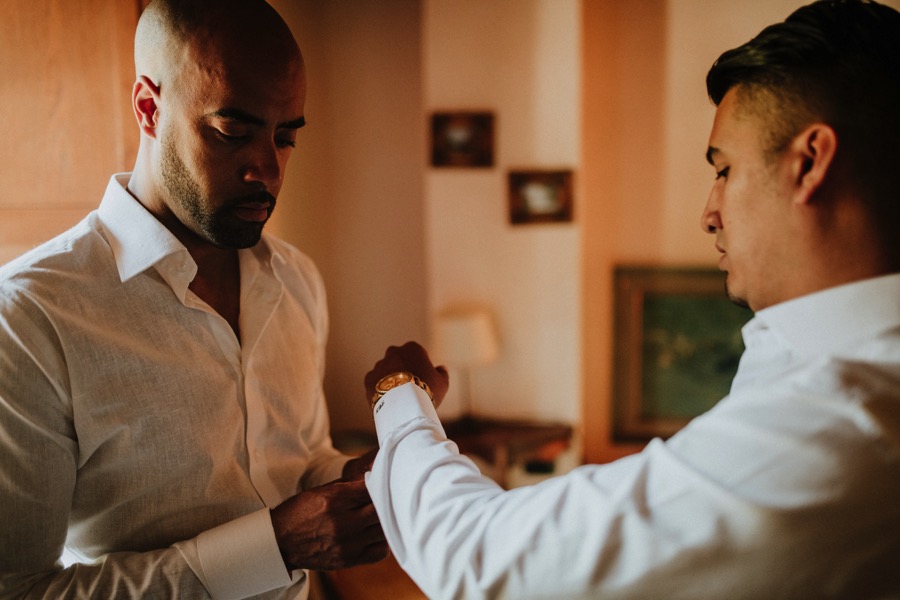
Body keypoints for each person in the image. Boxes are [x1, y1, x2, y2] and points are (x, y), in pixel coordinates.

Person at [362, 1, 900, 598]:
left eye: (724, 170)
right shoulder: (812, 360)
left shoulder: (841, 423)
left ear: (809, 162)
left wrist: (398, 394)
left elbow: (477, 557)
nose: (709, 214)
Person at [0, 1, 387, 598]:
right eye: (233, 132)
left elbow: (302, 458)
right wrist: (274, 549)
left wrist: (368, 475)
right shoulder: (30, 317)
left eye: (286, 137)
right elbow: (18, 589)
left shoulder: (297, 280)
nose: (269, 170)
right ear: (149, 108)